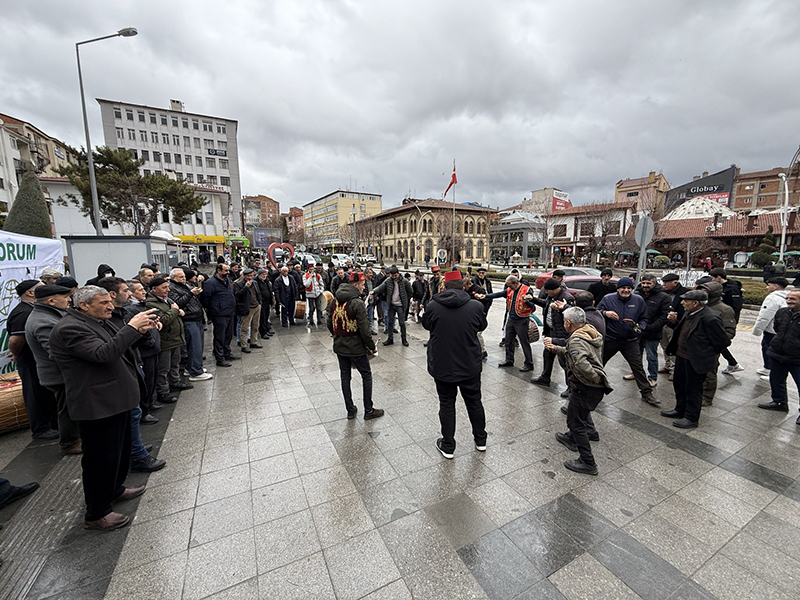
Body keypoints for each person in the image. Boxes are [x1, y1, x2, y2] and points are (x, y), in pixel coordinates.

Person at [50, 286, 159, 530]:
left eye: (109, 301)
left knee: (118, 453)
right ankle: (97, 513)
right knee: (100, 459)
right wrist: (131, 327)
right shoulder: (70, 328)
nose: (110, 306)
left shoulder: (99, 321)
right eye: (103, 303)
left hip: (116, 398)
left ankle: (116, 489)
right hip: (97, 404)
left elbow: (120, 345)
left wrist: (139, 331)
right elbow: (104, 353)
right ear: (84, 305)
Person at [98, 277, 167, 473]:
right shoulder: (104, 320)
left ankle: (133, 447)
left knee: (134, 412)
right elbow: (111, 349)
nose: (129, 293)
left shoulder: (122, 313)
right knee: (130, 413)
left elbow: (128, 343)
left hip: (132, 365)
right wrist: (133, 329)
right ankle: (136, 455)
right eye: (126, 290)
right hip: (117, 374)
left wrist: (143, 331)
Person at [423, 271, 488, 459]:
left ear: (444, 287)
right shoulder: (475, 306)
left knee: (447, 403)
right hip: (469, 364)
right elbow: (481, 326)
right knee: (474, 402)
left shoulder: (433, 306)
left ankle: (448, 445)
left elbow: (427, 325)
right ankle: (481, 440)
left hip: (443, 364)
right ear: (463, 286)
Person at [545, 306, 612, 475]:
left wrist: (593, 379)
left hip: (585, 388)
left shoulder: (575, 340)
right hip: (589, 389)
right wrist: (556, 348)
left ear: (568, 322)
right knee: (579, 415)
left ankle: (588, 462)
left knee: (575, 423)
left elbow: (582, 364)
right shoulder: (588, 331)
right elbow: (573, 353)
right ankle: (576, 436)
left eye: (564, 321)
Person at [24, 285, 81, 454]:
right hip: (59, 375)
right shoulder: (43, 321)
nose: (69, 300)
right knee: (68, 408)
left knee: (71, 406)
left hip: (63, 373)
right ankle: (69, 442)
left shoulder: (51, 315)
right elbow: (57, 352)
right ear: (51, 300)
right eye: (65, 297)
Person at [661, 289, 730, 429]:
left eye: (685, 300)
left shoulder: (709, 318)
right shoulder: (689, 313)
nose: (682, 303)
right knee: (679, 385)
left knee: (693, 389)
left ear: (695, 303)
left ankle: (691, 418)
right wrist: (674, 322)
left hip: (695, 359)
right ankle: (680, 409)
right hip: (681, 355)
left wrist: (704, 352)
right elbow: (685, 331)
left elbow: (723, 342)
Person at [327, 272, 384, 420]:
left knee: (345, 376)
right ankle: (368, 410)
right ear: (355, 285)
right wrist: (372, 346)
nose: (363, 287)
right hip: (356, 347)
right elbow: (365, 330)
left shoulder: (335, 300)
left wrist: (335, 333)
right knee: (366, 375)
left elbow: (329, 320)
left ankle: (350, 409)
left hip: (340, 346)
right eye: (362, 284)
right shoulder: (357, 303)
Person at [8, 279, 58, 440]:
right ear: (30, 293)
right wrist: (16, 354)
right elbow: (15, 340)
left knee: (44, 394)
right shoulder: (23, 312)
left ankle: (51, 424)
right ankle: (41, 428)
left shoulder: (32, 309)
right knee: (34, 393)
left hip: (37, 360)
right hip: (29, 361)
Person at [597, 277, 658, 406]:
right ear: (618, 289)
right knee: (598, 364)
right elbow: (597, 312)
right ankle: (589, 389)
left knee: (638, 368)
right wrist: (605, 313)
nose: (626, 290)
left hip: (630, 341)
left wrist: (639, 327)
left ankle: (646, 393)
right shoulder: (608, 298)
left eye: (629, 288)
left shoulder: (638, 300)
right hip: (610, 339)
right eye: (623, 288)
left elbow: (644, 318)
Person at [758, 289, 800, 423]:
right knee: (776, 380)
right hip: (777, 354)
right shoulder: (782, 312)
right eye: (787, 298)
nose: (788, 301)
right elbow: (777, 328)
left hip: (797, 358)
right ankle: (779, 402)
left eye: (793, 299)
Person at [125, 280, 165, 417]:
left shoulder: (142, 305)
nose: (144, 292)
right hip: (145, 350)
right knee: (145, 381)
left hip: (153, 347)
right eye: (140, 290)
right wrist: (149, 340)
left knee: (152, 379)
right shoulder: (130, 309)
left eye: (143, 289)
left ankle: (149, 404)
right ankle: (144, 410)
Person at [480, 275, 536, 372]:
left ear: (516, 283)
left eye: (510, 285)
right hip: (511, 318)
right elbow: (499, 294)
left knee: (524, 342)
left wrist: (527, 300)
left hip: (522, 319)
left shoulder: (527, 289)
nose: (509, 288)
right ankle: (509, 360)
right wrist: (485, 296)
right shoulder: (510, 290)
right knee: (508, 341)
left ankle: (529, 363)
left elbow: (533, 306)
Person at [147, 277, 190, 401]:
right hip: (165, 340)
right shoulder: (150, 303)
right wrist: (175, 311)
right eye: (164, 287)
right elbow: (163, 320)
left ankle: (175, 382)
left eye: (167, 287)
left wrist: (176, 311)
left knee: (174, 363)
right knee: (163, 368)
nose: (168, 290)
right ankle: (163, 392)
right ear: (154, 289)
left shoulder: (167, 300)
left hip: (175, 338)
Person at [697, 281, 736, 407]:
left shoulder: (725, 309)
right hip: (695, 345)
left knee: (709, 373)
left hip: (710, 348)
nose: (703, 293)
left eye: (706, 291)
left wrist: (714, 344)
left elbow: (729, 332)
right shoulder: (699, 305)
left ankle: (707, 397)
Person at [170, 268, 212, 381]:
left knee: (197, 345)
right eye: (180, 277)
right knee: (194, 346)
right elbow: (178, 303)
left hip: (196, 318)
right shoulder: (172, 288)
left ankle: (192, 367)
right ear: (173, 278)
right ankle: (195, 371)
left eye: (184, 276)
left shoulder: (183, 286)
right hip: (188, 319)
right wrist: (190, 293)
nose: (184, 279)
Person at [630, 274, 671, 387]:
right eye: (643, 283)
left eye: (648, 283)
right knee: (635, 355)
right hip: (637, 331)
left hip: (652, 332)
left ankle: (652, 377)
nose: (645, 285)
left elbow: (664, 316)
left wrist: (651, 327)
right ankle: (635, 373)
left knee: (651, 356)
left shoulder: (663, 297)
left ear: (654, 283)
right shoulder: (637, 294)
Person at [532, 278, 575, 385]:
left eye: (547, 291)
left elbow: (573, 312)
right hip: (550, 331)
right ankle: (545, 377)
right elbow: (545, 303)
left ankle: (570, 386)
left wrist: (562, 308)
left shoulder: (566, 297)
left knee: (564, 361)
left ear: (555, 289)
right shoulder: (551, 296)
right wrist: (532, 299)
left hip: (561, 334)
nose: (546, 293)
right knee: (547, 355)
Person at [202, 263, 240, 367]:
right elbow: (205, 299)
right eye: (226, 270)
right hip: (219, 314)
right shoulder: (210, 283)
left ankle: (227, 353)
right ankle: (220, 358)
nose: (228, 272)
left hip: (229, 312)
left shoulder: (227, 280)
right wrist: (213, 310)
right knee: (220, 336)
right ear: (218, 271)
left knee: (228, 335)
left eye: (228, 270)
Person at [708, 268, 744, 374]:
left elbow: (736, 306)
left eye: (712, 278)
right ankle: (733, 363)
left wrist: (730, 319)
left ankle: (733, 363)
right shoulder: (720, 287)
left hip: (726, 318)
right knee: (718, 341)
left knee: (719, 341)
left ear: (719, 277)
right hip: (718, 317)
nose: (711, 280)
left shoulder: (732, 289)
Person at [752, 277, 789, 379]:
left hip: (772, 330)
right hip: (782, 329)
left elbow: (765, 316)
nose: (766, 287)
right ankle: (767, 367)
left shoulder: (772, 298)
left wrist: (757, 330)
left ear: (776, 286)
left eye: (769, 285)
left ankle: (771, 371)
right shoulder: (787, 297)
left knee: (768, 348)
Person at [371, 266, 413, 347]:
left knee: (401, 323)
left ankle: (404, 339)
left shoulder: (404, 281)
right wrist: (373, 291)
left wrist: (405, 299)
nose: (394, 277)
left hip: (400, 306)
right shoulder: (388, 281)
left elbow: (410, 291)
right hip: (391, 305)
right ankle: (390, 338)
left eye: (395, 275)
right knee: (390, 322)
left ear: (398, 273)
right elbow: (380, 287)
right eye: (392, 275)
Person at [659, 273, 689, 379]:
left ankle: (675, 369)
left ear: (675, 283)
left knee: (674, 346)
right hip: (663, 323)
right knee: (665, 346)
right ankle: (667, 365)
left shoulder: (684, 293)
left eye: (667, 282)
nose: (664, 285)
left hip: (675, 324)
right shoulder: (663, 293)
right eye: (663, 282)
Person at [234, 268, 263, 353]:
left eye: (251, 276)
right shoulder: (239, 284)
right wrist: (246, 287)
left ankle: (253, 342)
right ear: (244, 276)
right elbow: (238, 295)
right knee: (245, 328)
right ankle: (244, 345)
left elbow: (258, 293)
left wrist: (259, 303)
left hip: (256, 306)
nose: (250, 277)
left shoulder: (255, 282)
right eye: (248, 276)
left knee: (255, 326)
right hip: (247, 308)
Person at [462, 275, 488, 358]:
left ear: (468, 284)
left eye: (464, 286)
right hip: (470, 314)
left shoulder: (479, 290)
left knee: (478, 333)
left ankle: (483, 351)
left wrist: (483, 312)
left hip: (478, 314)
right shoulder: (467, 290)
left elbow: (486, 300)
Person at [255, 269, 275, 340]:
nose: (264, 276)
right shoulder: (256, 281)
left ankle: (266, 330)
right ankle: (263, 332)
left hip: (267, 302)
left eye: (265, 274)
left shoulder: (266, 281)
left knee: (266, 316)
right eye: (263, 274)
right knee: (262, 318)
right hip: (261, 302)